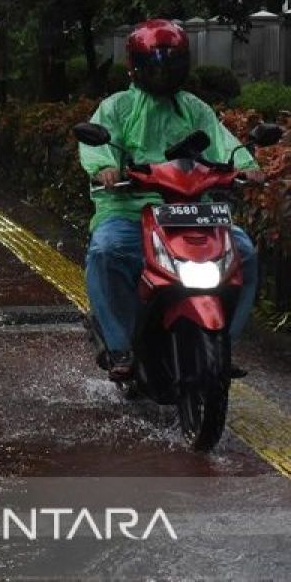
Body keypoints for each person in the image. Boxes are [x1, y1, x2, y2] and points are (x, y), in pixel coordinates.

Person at [80, 19, 263, 381]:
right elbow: (96, 146)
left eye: (171, 60)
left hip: (194, 210)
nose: (162, 70)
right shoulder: (116, 108)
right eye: (154, 61)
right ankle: (120, 346)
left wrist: (246, 166)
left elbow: (223, 141)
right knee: (105, 253)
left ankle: (223, 345)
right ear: (135, 64)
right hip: (130, 210)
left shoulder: (195, 109)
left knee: (245, 255)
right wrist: (105, 168)